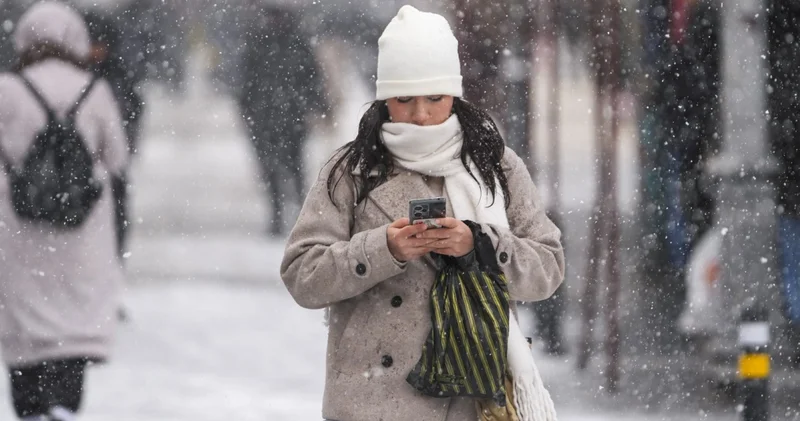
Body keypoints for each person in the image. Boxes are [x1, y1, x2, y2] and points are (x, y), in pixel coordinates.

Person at [280, 6, 564, 420]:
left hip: (468, 400)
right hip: (371, 402)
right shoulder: (351, 171)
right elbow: (302, 275)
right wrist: (383, 250)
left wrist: (480, 245)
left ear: (454, 93)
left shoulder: (495, 166)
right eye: (404, 99)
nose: (420, 115)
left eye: (435, 97)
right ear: (384, 99)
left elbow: (548, 269)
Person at [0, 2, 128, 420]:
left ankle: (30, 406)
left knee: (24, 317)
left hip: (16, 227)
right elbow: (118, 159)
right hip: (81, 228)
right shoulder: (96, 90)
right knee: (71, 323)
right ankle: (63, 405)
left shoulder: (7, 89)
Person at [238, 6, 327, 236]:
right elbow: (246, 81)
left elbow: (312, 77)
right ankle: (277, 212)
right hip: (265, 118)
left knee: (294, 166)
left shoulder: (297, 42)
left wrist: (316, 104)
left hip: (291, 118)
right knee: (270, 169)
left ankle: (299, 213)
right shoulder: (258, 43)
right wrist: (246, 109)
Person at [83, 9, 145, 259]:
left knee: (117, 208)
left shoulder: (116, 73)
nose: (96, 50)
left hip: (109, 162)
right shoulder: (87, 74)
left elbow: (133, 111)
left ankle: (114, 256)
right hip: (86, 161)